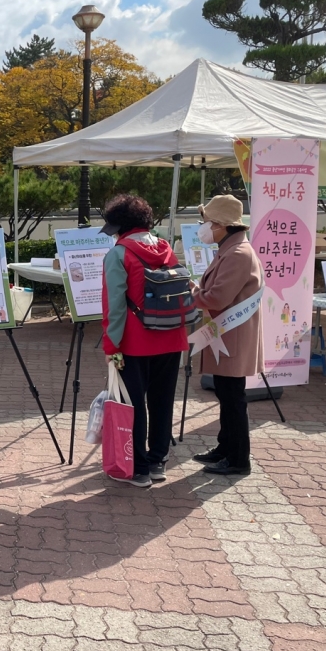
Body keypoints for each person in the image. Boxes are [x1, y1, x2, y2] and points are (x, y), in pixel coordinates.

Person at [100, 194, 188, 488]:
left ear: (121, 226)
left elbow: (114, 306)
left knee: (132, 405)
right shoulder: (166, 248)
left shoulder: (118, 254)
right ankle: (158, 461)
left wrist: (111, 348)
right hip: (172, 335)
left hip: (134, 342)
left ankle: (138, 469)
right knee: (162, 402)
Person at [190, 195, 265, 476]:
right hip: (227, 334)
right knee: (226, 393)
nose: (203, 227)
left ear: (221, 225)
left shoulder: (237, 253)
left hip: (233, 336)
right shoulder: (230, 248)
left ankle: (238, 459)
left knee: (233, 398)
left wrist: (193, 292)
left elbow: (217, 297)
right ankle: (225, 447)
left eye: (206, 222)